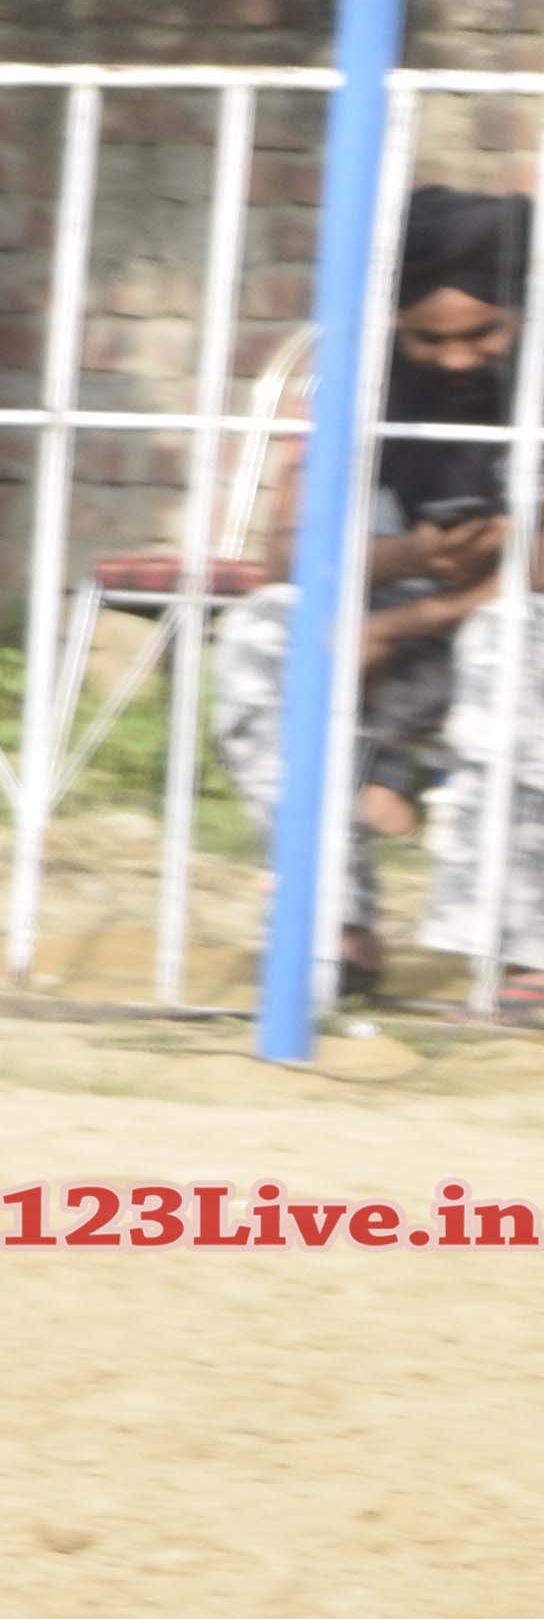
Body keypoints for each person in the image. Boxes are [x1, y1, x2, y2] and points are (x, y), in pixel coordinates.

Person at [218, 184, 541, 1011]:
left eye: (483, 332)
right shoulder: (356, 381)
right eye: (430, 338)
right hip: (410, 618)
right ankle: (333, 925)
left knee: (509, 634)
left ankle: (526, 948)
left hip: (506, 629)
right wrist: (412, 556)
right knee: (266, 630)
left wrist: (406, 618)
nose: (458, 358)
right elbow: (286, 552)